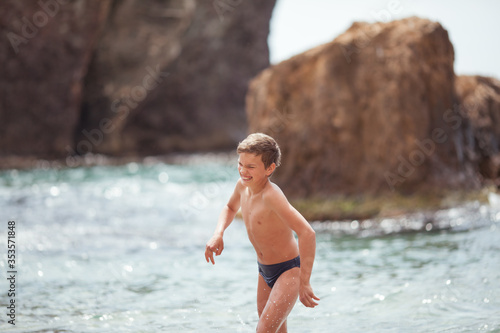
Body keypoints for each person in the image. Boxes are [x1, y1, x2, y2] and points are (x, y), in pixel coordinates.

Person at [205, 133, 319, 333]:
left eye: (250, 167)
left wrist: (305, 282)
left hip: (288, 271)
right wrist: (218, 233)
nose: (243, 171)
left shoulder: (272, 196)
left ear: (269, 169)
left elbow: (307, 233)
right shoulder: (242, 186)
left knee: (263, 330)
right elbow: (230, 208)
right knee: (274, 330)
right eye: (240, 164)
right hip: (264, 270)